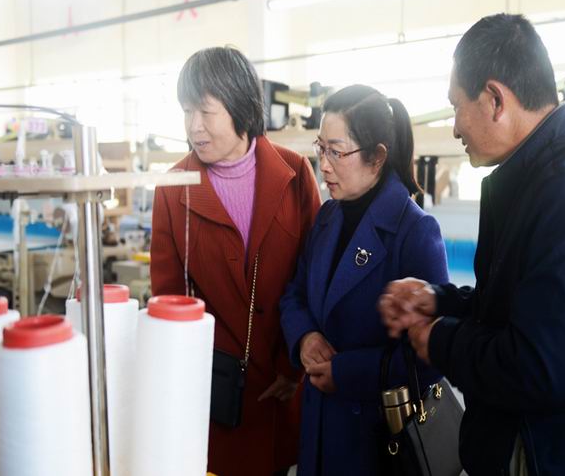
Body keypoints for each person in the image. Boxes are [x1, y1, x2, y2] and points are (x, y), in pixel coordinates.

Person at [379, 14, 565, 475]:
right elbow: (520, 308)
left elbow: (541, 366)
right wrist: (439, 300)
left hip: (564, 459)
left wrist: (439, 340)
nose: (454, 128)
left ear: (494, 99)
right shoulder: (537, 179)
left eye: (456, 107)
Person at [150, 46, 321, 476]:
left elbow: (313, 277)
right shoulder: (173, 188)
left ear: (240, 105)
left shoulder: (295, 174)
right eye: (186, 111)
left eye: (206, 112)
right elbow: (167, 297)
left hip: (284, 384)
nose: (194, 126)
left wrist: (293, 365)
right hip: (213, 393)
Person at [279, 85, 449, 476]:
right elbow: (294, 294)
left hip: (375, 439)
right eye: (321, 148)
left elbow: (432, 354)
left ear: (377, 156)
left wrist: (346, 372)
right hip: (319, 430)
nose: (323, 165)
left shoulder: (414, 232)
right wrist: (305, 337)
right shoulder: (327, 218)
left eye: (336, 152)